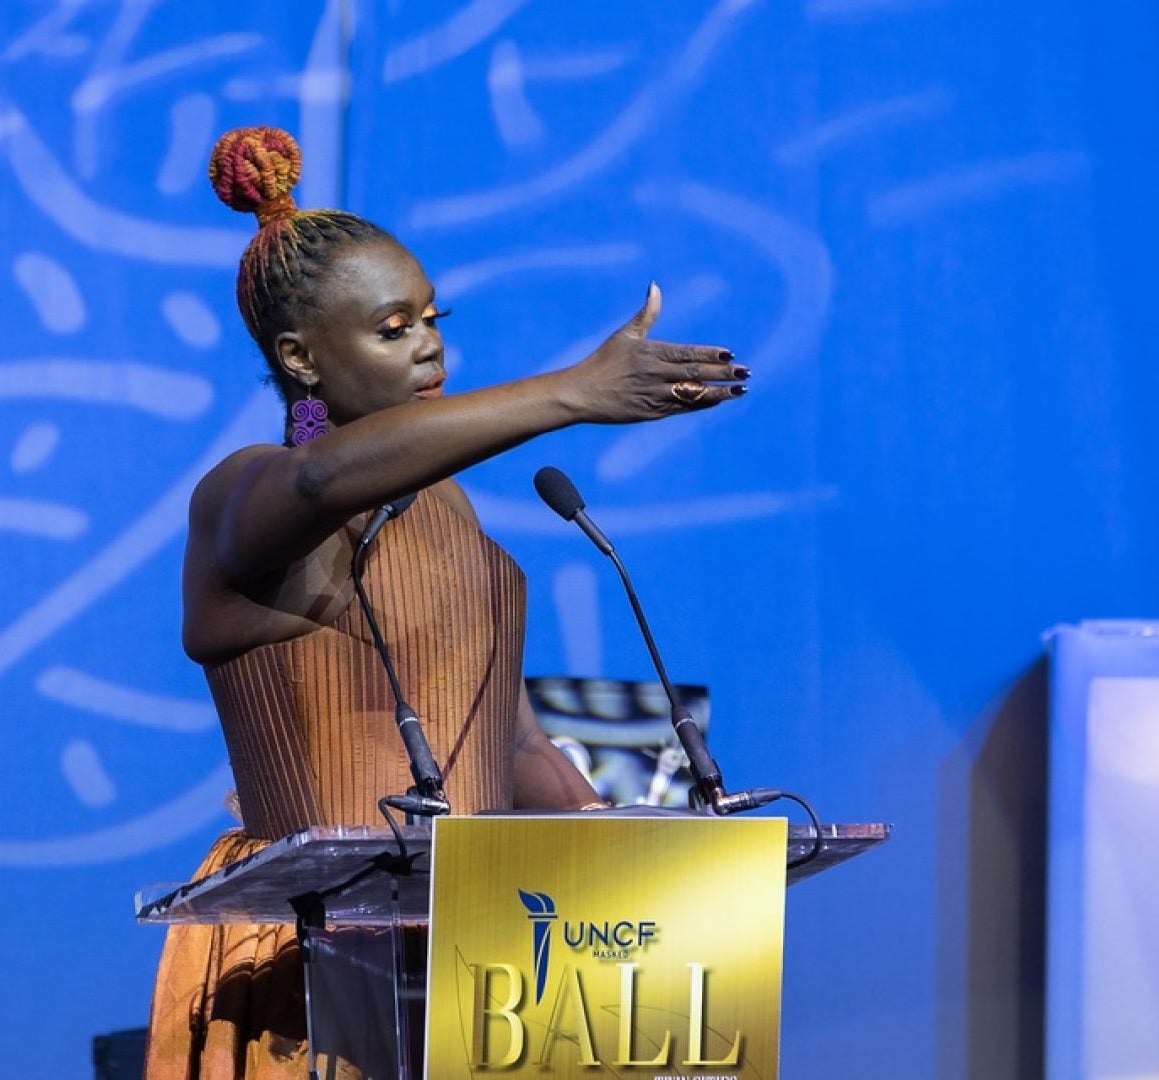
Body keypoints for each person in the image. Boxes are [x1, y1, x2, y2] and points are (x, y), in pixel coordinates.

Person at [144, 125, 747, 1080]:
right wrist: (572, 393)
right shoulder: (243, 494)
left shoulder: (446, 508)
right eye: (394, 330)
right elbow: (319, 485)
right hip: (313, 958)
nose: (430, 347)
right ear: (300, 359)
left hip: (477, 957)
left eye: (434, 318)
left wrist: (619, 865)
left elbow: (509, 748)